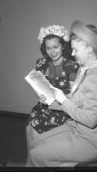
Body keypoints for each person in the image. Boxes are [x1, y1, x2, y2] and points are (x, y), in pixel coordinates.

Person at [27, 20, 97, 167]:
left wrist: (63, 100)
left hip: (90, 141)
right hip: (76, 128)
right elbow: (76, 100)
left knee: (36, 154)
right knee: (36, 142)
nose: (72, 53)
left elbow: (90, 120)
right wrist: (52, 102)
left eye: (76, 50)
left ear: (90, 49)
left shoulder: (96, 77)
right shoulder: (85, 69)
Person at [25, 24, 79, 166]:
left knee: (48, 139)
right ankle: (31, 161)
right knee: (30, 127)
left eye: (56, 47)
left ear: (63, 46)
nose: (52, 51)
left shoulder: (71, 65)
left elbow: (73, 95)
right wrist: (40, 95)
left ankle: (44, 160)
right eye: (48, 48)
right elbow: (39, 86)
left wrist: (59, 100)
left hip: (63, 109)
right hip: (44, 107)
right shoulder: (41, 63)